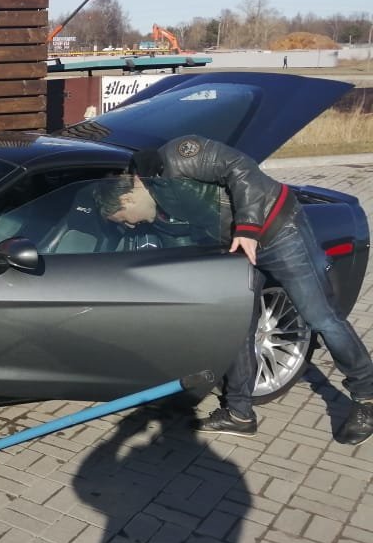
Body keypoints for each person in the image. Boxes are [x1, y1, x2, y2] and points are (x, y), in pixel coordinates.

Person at [94, 135, 373, 444]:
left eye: (124, 220)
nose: (131, 226)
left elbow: (240, 167)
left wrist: (248, 228)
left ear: (127, 200)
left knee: (320, 317)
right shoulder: (159, 215)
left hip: (278, 228)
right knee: (238, 323)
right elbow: (190, 238)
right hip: (237, 248)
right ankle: (240, 413)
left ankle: (367, 396)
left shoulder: (176, 158)